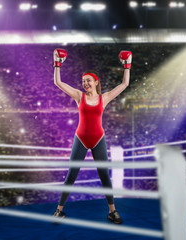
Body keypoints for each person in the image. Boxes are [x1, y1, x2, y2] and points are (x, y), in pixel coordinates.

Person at [52, 48, 132, 224]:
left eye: (88, 80)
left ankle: (112, 211)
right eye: (83, 81)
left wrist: (127, 65)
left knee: (104, 174)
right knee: (72, 174)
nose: (85, 83)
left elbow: (124, 84)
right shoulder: (79, 96)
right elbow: (58, 82)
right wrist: (57, 63)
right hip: (80, 138)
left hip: (98, 139)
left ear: (96, 82)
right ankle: (59, 211)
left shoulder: (105, 98)